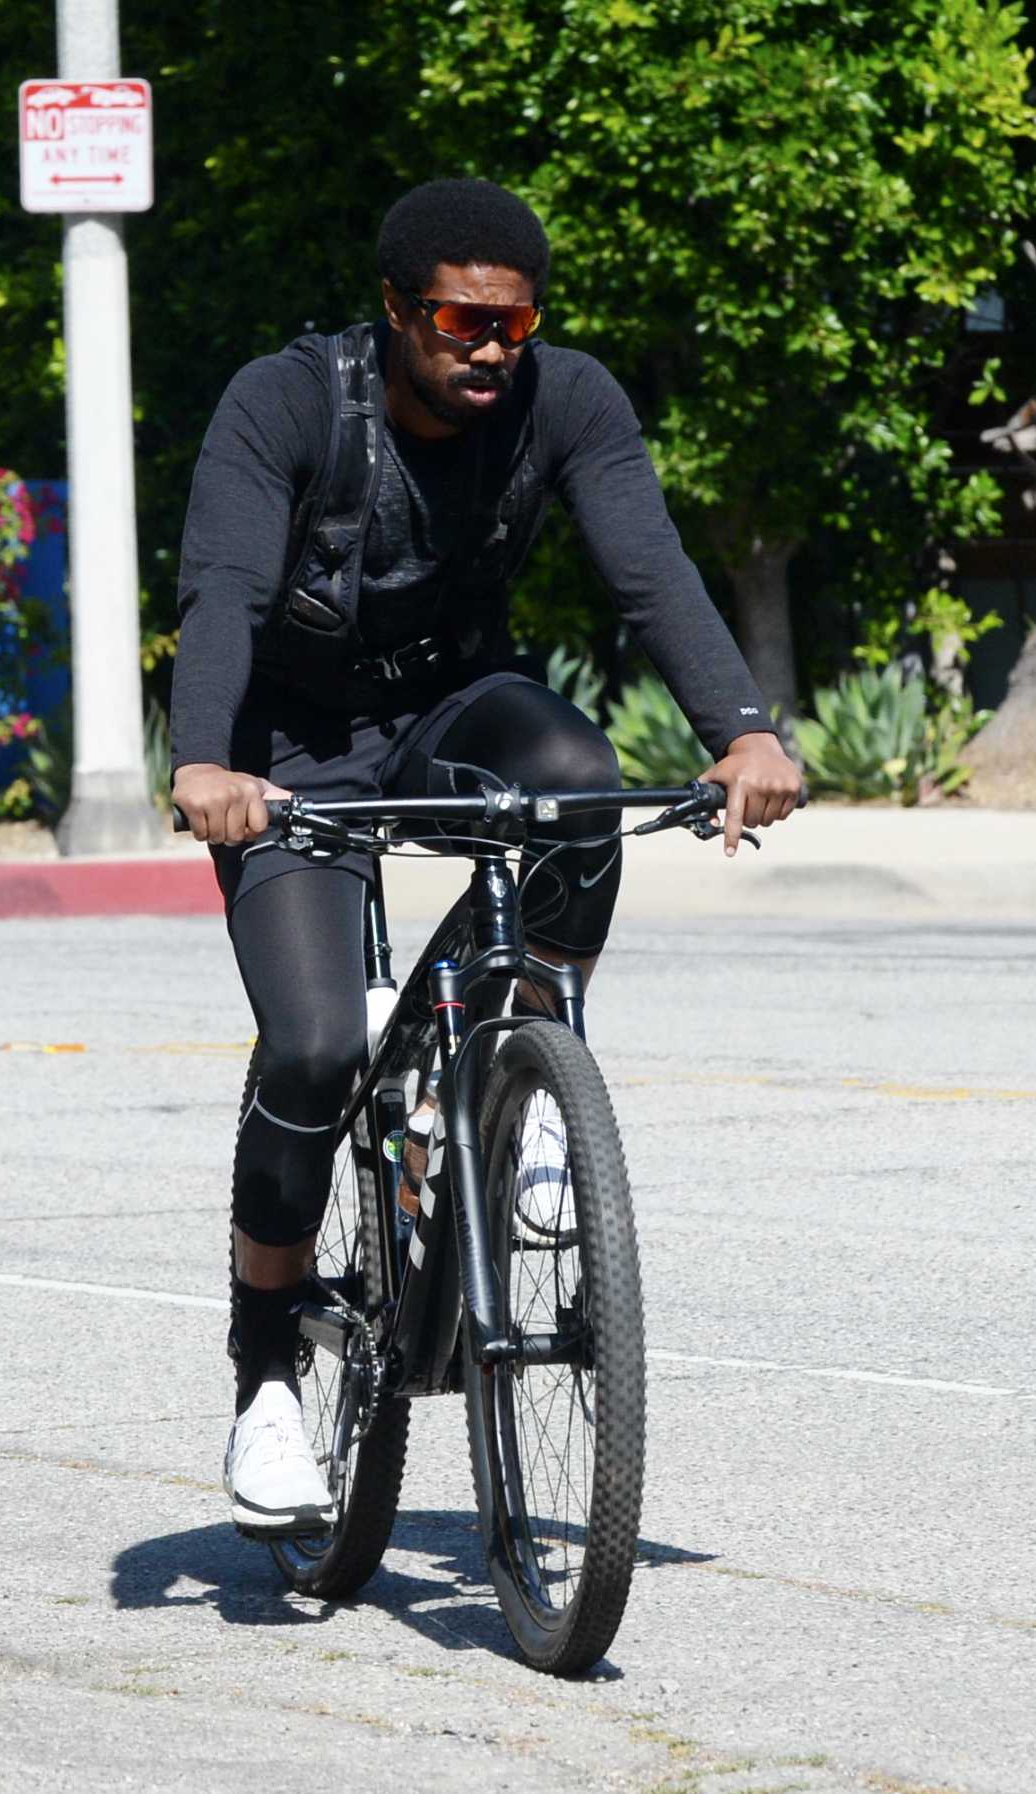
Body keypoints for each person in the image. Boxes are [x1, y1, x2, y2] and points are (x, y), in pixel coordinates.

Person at [171, 178, 801, 1536]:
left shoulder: (563, 399)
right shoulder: (280, 404)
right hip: (289, 752)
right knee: (313, 1052)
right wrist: (205, 763)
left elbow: (648, 571)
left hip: (452, 708)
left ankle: (519, 1062)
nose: (491, 349)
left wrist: (741, 731)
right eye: (462, 320)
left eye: (515, 325)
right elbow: (218, 586)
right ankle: (267, 1380)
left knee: (573, 781)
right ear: (397, 310)